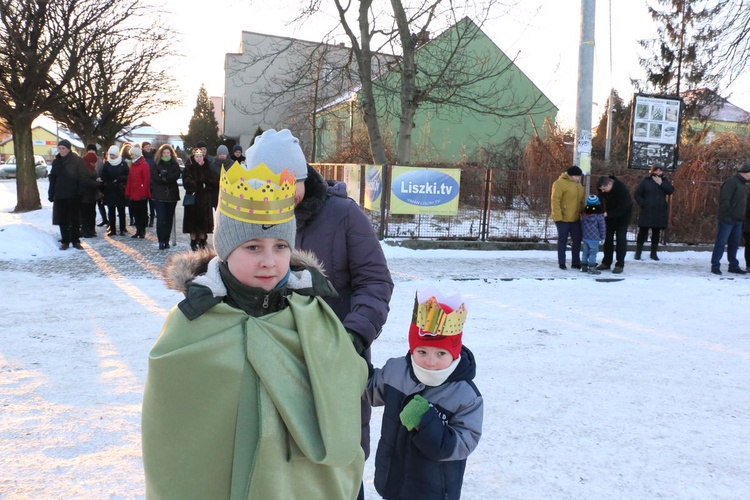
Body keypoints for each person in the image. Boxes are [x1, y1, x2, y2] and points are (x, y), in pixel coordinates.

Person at [142, 142, 367, 499]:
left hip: (297, 483)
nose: (269, 261)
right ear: (227, 250)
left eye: (280, 247)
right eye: (253, 247)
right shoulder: (192, 323)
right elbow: (169, 430)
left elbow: (345, 390)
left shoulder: (313, 314)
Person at [289, 131, 394, 477]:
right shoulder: (260, 220)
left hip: (339, 362)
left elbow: (375, 281)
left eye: (291, 181)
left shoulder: (344, 215)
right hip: (285, 362)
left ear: (304, 176)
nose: (284, 192)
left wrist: (352, 337)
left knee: (342, 463)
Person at [365, 289, 483, 500]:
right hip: (392, 479)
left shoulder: (466, 396)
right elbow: (369, 390)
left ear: (454, 352)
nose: (430, 362)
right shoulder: (396, 371)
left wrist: (426, 422)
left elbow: (464, 443)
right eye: (422, 352)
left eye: (441, 354)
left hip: (434, 490)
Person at [48, 139, 91, 250]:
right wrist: (51, 192)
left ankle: (75, 240)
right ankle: (65, 240)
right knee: (62, 219)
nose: (61, 150)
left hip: (73, 195)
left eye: (64, 148)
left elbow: (83, 177)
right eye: (60, 148)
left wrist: (80, 191)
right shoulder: (56, 162)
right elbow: (53, 178)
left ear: (68, 149)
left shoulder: (77, 161)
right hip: (60, 195)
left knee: (74, 219)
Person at [710, 162, 750, 275]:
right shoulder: (731, 182)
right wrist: (726, 215)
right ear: (746, 172)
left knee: (734, 243)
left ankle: (733, 265)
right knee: (721, 243)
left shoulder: (743, 184)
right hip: (728, 219)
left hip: (738, 219)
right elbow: (725, 200)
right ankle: (715, 265)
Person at [633, 165, 675, 261]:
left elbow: (671, 190)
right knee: (642, 232)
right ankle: (638, 252)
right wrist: (643, 204)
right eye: (656, 170)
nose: (658, 172)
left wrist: (661, 184)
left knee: (656, 232)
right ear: (652, 171)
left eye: (660, 171)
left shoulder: (664, 181)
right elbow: (637, 194)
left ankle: (653, 253)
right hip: (647, 210)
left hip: (659, 211)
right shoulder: (646, 181)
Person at [596, 175, 633, 274]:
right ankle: (606, 262)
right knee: (608, 239)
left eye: (604, 189)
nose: (602, 191)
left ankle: (620, 264)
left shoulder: (621, 189)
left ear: (610, 184)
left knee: (621, 238)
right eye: (601, 190)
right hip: (608, 216)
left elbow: (624, 207)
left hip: (623, 217)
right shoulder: (602, 190)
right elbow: (600, 201)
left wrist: (608, 213)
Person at [550, 166, 585, 270]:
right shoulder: (559, 183)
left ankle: (576, 262)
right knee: (562, 241)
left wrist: (583, 213)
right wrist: (558, 217)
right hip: (563, 219)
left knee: (577, 241)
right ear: (570, 175)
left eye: (579, 176)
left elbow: (581, 201)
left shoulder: (579, 185)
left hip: (575, 218)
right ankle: (562, 262)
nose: (578, 178)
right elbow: (555, 201)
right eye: (576, 176)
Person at [150, 144, 182, 250]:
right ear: (161, 153)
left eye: (168, 153)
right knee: (161, 218)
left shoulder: (174, 164)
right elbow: (154, 176)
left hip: (171, 195)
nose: (166, 154)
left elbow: (176, 175)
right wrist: (161, 178)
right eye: (164, 153)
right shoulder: (156, 164)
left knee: (168, 219)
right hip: (159, 195)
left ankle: (166, 239)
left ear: (171, 153)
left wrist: (166, 177)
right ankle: (161, 240)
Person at [182, 147, 214, 250]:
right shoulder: (189, 166)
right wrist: (200, 185)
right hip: (193, 198)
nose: (199, 158)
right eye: (197, 156)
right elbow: (186, 181)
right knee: (192, 221)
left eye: (200, 156)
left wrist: (207, 184)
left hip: (204, 199)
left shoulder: (207, 166)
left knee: (203, 222)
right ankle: (193, 241)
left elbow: (212, 180)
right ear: (194, 157)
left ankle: (202, 240)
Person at [100, 145, 130, 236]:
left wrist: (120, 179)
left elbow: (128, 176)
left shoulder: (123, 163)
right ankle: (112, 229)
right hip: (110, 190)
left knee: (121, 210)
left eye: (113, 155)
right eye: (111, 155)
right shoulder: (107, 164)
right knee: (111, 210)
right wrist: (102, 180)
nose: (112, 156)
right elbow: (103, 175)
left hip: (120, 189)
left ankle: (122, 228)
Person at [124, 145, 151, 239]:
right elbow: (129, 180)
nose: (131, 156)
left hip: (141, 193)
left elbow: (146, 180)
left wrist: (144, 193)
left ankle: (142, 230)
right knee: (135, 212)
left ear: (136, 155)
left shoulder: (144, 165)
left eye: (132, 154)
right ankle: (138, 230)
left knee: (142, 213)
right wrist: (127, 192)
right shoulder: (133, 165)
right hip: (133, 193)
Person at [580, 194, 606, 274]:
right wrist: (603, 237)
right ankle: (592, 267)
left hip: (586, 237)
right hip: (594, 238)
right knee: (593, 253)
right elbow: (602, 227)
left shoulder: (584, 215)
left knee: (585, 252)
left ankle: (584, 266)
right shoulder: (599, 216)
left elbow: (582, 225)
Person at [79, 144, 100, 238]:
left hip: (91, 195)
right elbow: (85, 181)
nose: (94, 164)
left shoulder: (91, 165)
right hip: (85, 195)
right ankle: (85, 230)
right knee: (85, 214)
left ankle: (91, 230)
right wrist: (97, 183)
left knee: (91, 213)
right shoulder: (83, 165)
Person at [209, 144, 232, 209]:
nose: (222, 155)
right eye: (220, 154)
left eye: (224, 154)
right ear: (217, 154)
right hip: (216, 193)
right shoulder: (213, 165)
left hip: (228, 193)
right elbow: (210, 178)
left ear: (227, 154)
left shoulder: (232, 164)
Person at [141, 141, 157, 228]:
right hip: (144, 183)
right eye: (146, 146)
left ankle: (152, 218)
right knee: (144, 202)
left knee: (152, 202)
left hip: (152, 183)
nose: (148, 148)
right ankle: (145, 218)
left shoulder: (153, 156)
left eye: (149, 146)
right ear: (143, 148)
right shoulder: (141, 157)